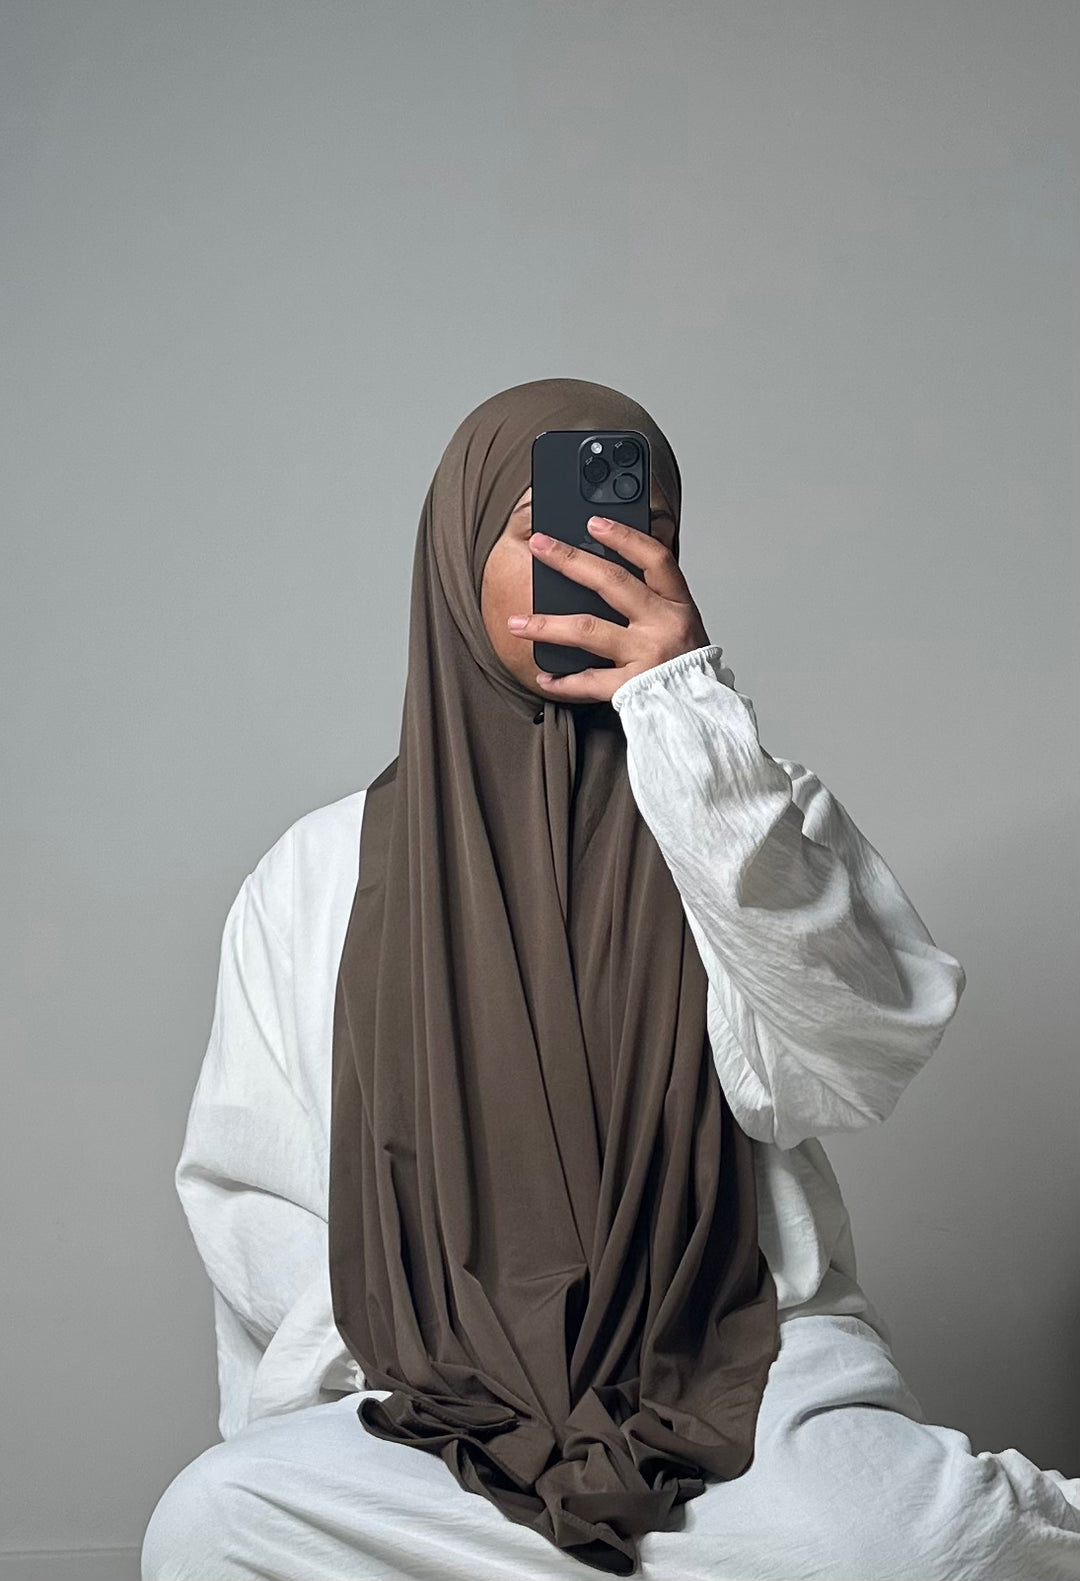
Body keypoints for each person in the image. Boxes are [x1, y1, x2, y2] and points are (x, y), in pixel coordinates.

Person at [141, 379, 1080, 1580]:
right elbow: (253, 1190)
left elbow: (850, 1060)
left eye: (632, 533)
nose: (584, 566)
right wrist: (449, 1354)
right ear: (455, 557)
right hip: (434, 1398)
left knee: (913, 1545)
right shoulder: (318, 871)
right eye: (541, 530)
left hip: (734, 1364)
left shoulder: (747, 811)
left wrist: (689, 718)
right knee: (215, 1523)